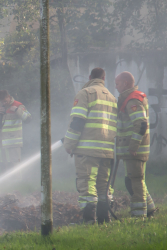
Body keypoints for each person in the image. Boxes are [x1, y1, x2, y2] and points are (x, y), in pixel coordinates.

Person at [63, 68, 118, 224]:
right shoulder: (112, 97)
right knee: (103, 185)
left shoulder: (85, 94)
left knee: (87, 182)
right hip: (106, 150)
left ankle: (89, 220)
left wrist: (69, 143)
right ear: (104, 78)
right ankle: (104, 219)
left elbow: (77, 121)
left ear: (89, 77)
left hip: (87, 151)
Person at [114, 71, 156, 218]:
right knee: (135, 180)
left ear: (125, 83)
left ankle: (139, 216)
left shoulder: (132, 100)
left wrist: (133, 146)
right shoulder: (130, 98)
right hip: (133, 150)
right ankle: (150, 209)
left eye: (117, 83)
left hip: (134, 151)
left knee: (135, 182)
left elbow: (141, 123)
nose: (116, 87)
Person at [0, 90, 32, 171]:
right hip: (2, 143)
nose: (4, 103)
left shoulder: (18, 105)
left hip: (14, 143)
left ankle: (17, 179)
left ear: (8, 96)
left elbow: (28, 119)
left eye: (5, 101)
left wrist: (17, 110)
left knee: (15, 165)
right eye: (2, 101)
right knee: (4, 165)